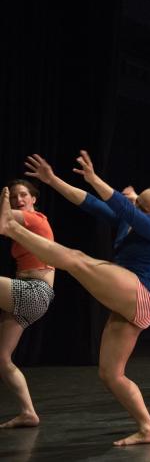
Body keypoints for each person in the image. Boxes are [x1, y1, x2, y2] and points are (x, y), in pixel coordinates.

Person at [16, 152, 150, 445]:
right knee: (111, 375)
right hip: (133, 306)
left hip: (143, 296)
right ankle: (149, 428)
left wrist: (94, 177)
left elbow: (121, 206)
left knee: (76, 259)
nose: (134, 202)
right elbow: (88, 202)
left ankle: (11, 228)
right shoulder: (128, 221)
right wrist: (51, 180)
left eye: (140, 202)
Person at [0, 179, 55, 428]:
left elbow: (3, 222)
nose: (18, 200)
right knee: (2, 358)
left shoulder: (36, 219)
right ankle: (28, 412)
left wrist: (3, 201)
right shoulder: (19, 223)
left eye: (23, 195)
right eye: (13, 197)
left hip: (34, 291)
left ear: (34, 199)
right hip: (28, 297)